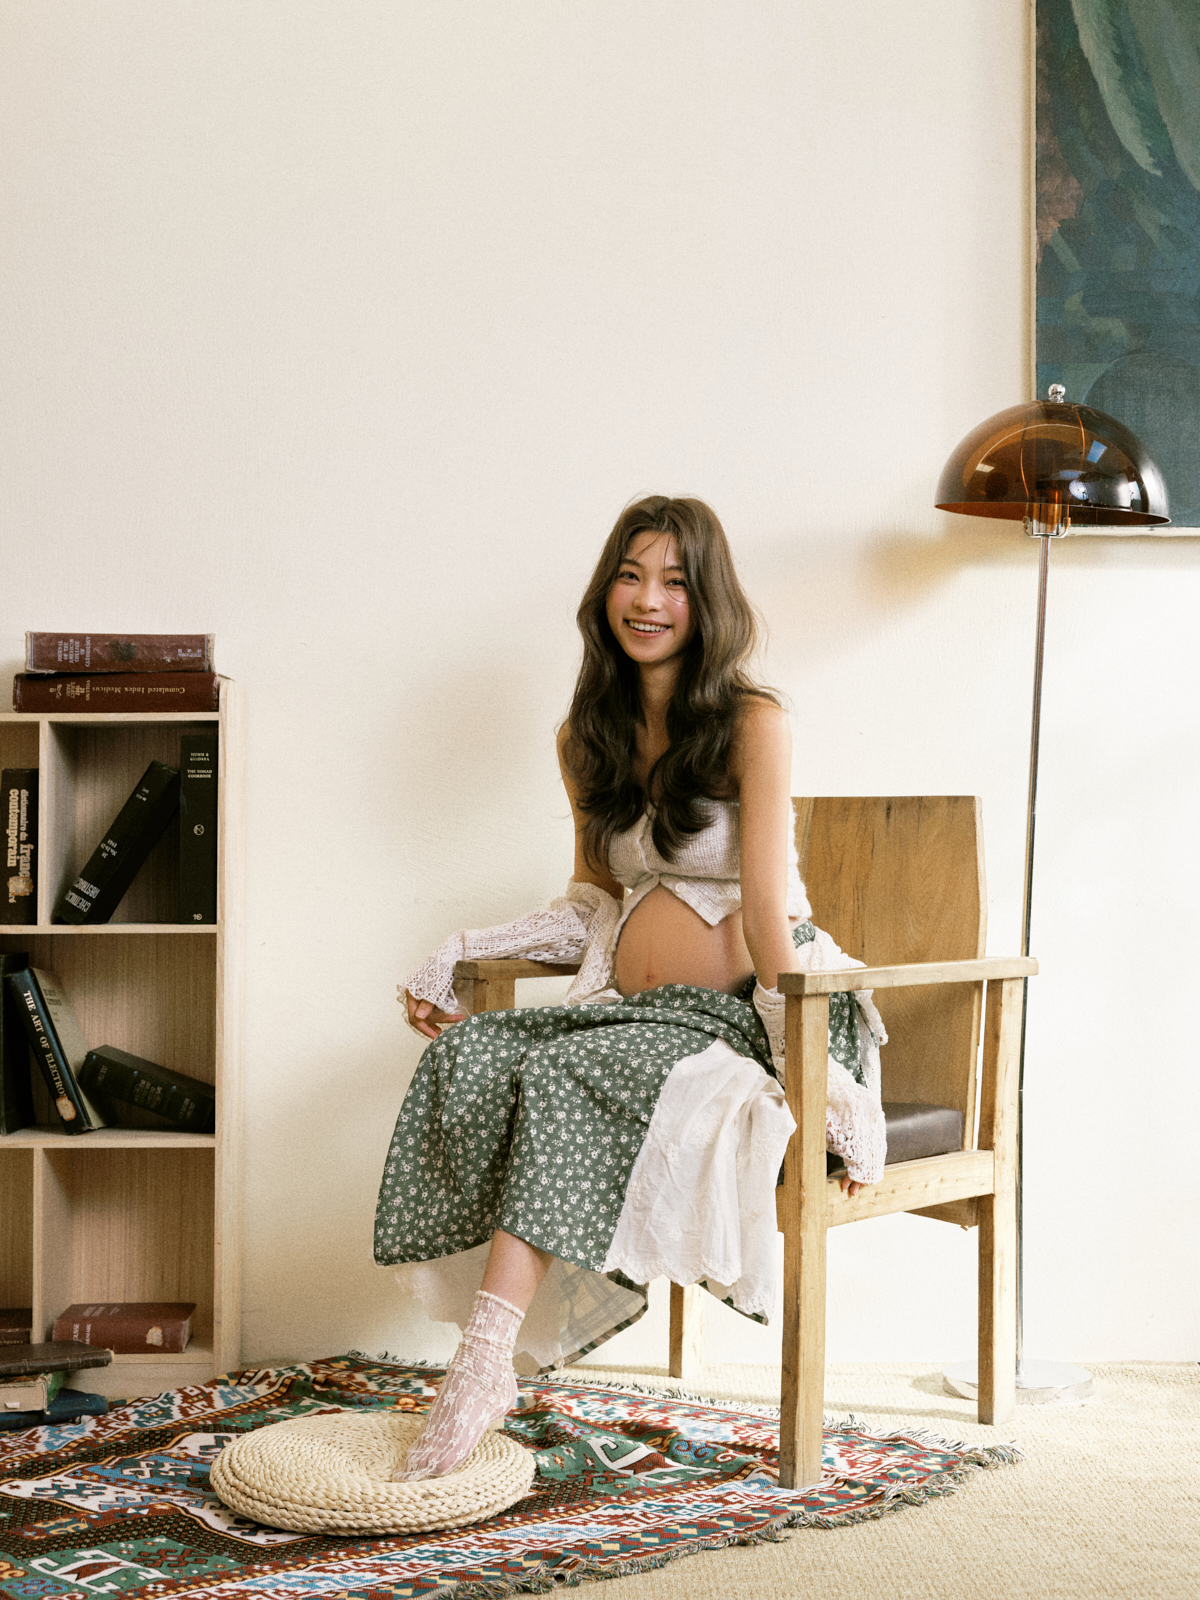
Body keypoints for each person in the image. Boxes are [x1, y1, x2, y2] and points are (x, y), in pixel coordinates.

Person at [375, 495, 887, 1481]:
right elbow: (593, 902)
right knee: (473, 1054)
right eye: (630, 575)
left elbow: (769, 915)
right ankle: (487, 1363)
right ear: (604, 591)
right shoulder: (586, 736)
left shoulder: (753, 722)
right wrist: (461, 947)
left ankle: (481, 1367)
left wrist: (822, 1079)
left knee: (566, 1076)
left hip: (746, 1017)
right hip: (634, 1016)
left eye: (675, 582)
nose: (648, 600)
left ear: (709, 600)